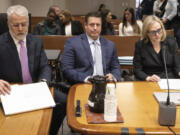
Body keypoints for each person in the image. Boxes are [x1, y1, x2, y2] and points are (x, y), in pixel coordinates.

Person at [0, 5, 66, 135]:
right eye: (16, 25)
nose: (20, 29)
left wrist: (43, 80)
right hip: (11, 90)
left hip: (35, 87)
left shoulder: (36, 41)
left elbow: (44, 66)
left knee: (64, 101)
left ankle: (48, 131)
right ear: (8, 24)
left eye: (24, 24)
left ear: (28, 23)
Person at [61, 11, 121, 84]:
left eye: (98, 25)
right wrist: (85, 78)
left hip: (106, 85)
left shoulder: (110, 45)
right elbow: (67, 69)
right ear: (85, 25)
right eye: (92, 25)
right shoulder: (72, 43)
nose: (95, 28)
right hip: (83, 84)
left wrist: (113, 76)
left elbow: (116, 68)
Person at [133, 15, 180, 81]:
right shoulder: (140, 45)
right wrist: (148, 78)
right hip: (150, 80)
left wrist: (179, 72)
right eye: (153, 32)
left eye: (159, 30)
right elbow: (137, 70)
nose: (157, 35)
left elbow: (177, 66)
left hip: (169, 80)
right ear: (146, 33)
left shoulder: (171, 41)